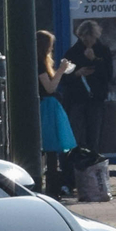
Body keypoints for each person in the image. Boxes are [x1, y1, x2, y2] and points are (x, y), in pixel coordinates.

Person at [60, 19, 115, 151]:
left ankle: (93, 161)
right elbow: (63, 78)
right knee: (77, 134)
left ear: (96, 36)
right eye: (84, 39)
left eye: (90, 38)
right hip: (76, 99)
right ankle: (78, 163)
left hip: (96, 99)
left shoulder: (103, 51)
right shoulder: (73, 52)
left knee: (94, 135)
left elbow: (108, 75)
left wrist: (95, 60)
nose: (87, 42)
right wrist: (77, 74)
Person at [36, 30, 79, 194]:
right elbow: (50, 87)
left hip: (48, 105)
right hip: (47, 106)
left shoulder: (41, 63)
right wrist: (61, 70)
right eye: (50, 46)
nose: (51, 50)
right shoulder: (40, 64)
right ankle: (52, 187)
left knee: (51, 148)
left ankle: (53, 184)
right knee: (51, 146)